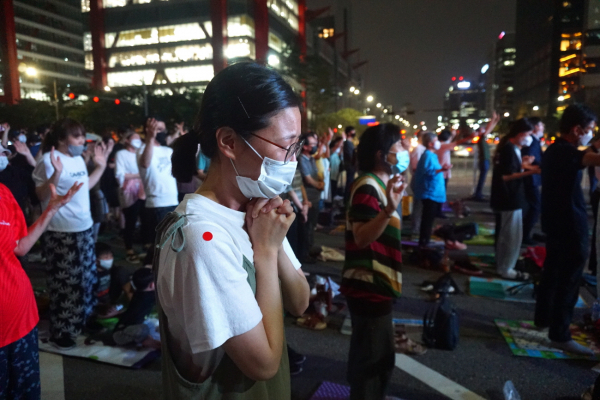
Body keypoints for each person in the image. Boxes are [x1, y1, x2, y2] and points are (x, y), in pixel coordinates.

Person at [157, 62, 309, 398]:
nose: (291, 160)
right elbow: (263, 363)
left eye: (297, 147)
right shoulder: (201, 238)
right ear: (228, 142)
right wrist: (267, 253)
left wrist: (274, 243)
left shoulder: (257, 207)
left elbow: (300, 302)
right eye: (286, 146)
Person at [341, 123, 407, 400]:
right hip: (369, 283)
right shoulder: (368, 186)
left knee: (373, 355)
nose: (404, 151)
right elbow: (361, 237)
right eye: (399, 147)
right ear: (382, 154)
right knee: (373, 361)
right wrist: (389, 210)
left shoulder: (381, 183)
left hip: (376, 281)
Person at [0, 177, 81, 399]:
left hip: (20, 320)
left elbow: (20, 246)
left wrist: (51, 210)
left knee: (26, 393)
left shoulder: (3, 193)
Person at [32, 118, 108, 349]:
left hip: (83, 227)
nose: (81, 141)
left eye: (82, 136)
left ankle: (83, 319)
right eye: (77, 136)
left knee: (87, 277)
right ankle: (63, 329)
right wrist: (55, 174)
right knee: (66, 281)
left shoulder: (76, 159)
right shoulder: (48, 160)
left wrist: (101, 166)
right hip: (61, 231)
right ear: (62, 139)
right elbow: (42, 196)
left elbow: (85, 186)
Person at [535, 104, 600, 356]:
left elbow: (586, 152)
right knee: (569, 280)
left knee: (552, 273)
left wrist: (591, 144)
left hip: (555, 221)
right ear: (576, 129)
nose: (590, 135)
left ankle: (543, 320)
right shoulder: (565, 152)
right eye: (589, 131)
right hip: (570, 223)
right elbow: (592, 158)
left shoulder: (555, 150)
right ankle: (560, 335)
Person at [490, 118, 540, 280]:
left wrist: (524, 165)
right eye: (529, 134)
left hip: (510, 198)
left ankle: (503, 264)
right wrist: (530, 172)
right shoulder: (508, 149)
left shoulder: (512, 148)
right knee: (511, 236)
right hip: (509, 198)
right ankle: (506, 268)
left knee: (509, 234)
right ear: (520, 133)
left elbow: (511, 168)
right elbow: (506, 176)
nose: (530, 138)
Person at [137, 117, 178, 249]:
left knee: (172, 244)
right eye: (157, 129)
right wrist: (150, 138)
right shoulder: (142, 149)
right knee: (162, 247)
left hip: (173, 201)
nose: (161, 132)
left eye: (163, 129)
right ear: (148, 130)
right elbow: (145, 163)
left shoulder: (168, 151)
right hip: (157, 204)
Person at [412, 132, 453, 249]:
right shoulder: (427, 155)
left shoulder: (431, 155)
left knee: (429, 219)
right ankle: (423, 243)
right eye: (436, 140)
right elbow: (428, 172)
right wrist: (442, 169)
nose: (438, 142)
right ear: (430, 144)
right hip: (429, 192)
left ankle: (425, 241)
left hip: (432, 191)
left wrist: (442, 169)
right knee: (427, 219)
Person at [115, 130, 146, 263]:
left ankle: (146, 247)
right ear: (127, 140)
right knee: (131, 220)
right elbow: (120, 174)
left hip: (144, 189)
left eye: (139, 138)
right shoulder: (121, 154)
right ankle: (129, 249)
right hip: (129, 191)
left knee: (145, 219)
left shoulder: (142, 153)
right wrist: (138, 176)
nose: (138, 141)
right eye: (134, 138)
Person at [112, 268, 160, 349]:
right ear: (152, 285)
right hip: (120, 335)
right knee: (144, 329)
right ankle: (148, 342)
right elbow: (134, 322)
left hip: (128, 327)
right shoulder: (143, 300)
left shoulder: (142, 293)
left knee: (152, 323)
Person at [299, 132, 324, 262]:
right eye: (313, 144)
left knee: (312, 225)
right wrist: (318, 185)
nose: (316, 147)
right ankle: (305, 254)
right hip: (307, 198)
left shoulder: (311, 158)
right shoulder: (301, 159)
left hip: (315, 197)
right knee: (306, 227)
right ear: (305, 147)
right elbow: (308, 180)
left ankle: (310, 248)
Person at [521, 117, 544, 245]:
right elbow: (531, 158)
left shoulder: (534, 141)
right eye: (541, 125)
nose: (543, 128)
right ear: (535, 127)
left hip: (532, 178)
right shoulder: (533, 142)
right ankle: (525, 235)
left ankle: (526, 234)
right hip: (531, 178)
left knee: (532, 207)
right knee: (535, 207)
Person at [94, 242, 131, 319]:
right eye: (106, 257)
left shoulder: (112, 270)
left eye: (111, 256)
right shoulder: (90, 274)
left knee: (121, 271)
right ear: (96, 260)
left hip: (109, 298)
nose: (110, 259)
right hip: (95, 302)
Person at [472, 112, 501, 201]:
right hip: (484, 160)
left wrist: (496, 121)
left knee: (482, 178)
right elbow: (488, 129)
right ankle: (478, 194)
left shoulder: (482, 138)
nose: (484, 130)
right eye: (482, 129)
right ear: (479, 132)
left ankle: (478, 193)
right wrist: (493, 119)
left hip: (485, 160)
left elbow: (490, 129)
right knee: (482, 178)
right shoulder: (481, 138)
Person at [343, 126, 357, 204]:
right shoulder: (347, 143)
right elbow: (351, 155)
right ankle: (346, 202)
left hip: (351, 167)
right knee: (349, 184)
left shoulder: (350, 143)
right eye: (353, 132)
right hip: (350, 167)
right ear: (349, 133)